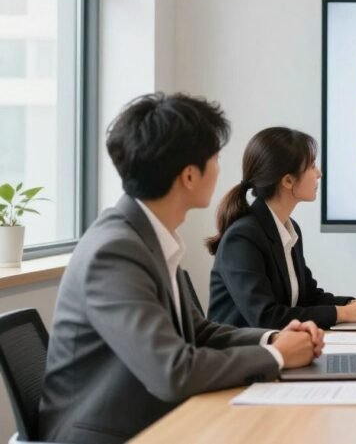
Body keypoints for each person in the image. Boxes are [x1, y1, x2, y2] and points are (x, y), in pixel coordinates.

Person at [39, 93, 324, 444]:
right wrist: (276, 355)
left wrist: (272, 338)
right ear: (190, 176)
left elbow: (197, 331)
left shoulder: (148, 236)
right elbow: (172, 371)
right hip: (112, 434)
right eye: (215, 158)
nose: (219, 169)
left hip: (156, 419)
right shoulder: (114, 251)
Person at [207, 127, 356, 330]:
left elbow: (308, 297)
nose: (319, 173)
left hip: (278, 345)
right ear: (287, 180)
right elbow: (266, 317)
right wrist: (344, 313)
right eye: (311, 166)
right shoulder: (243, 237)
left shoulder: (289, 229)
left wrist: (353, 305)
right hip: (245, 348)